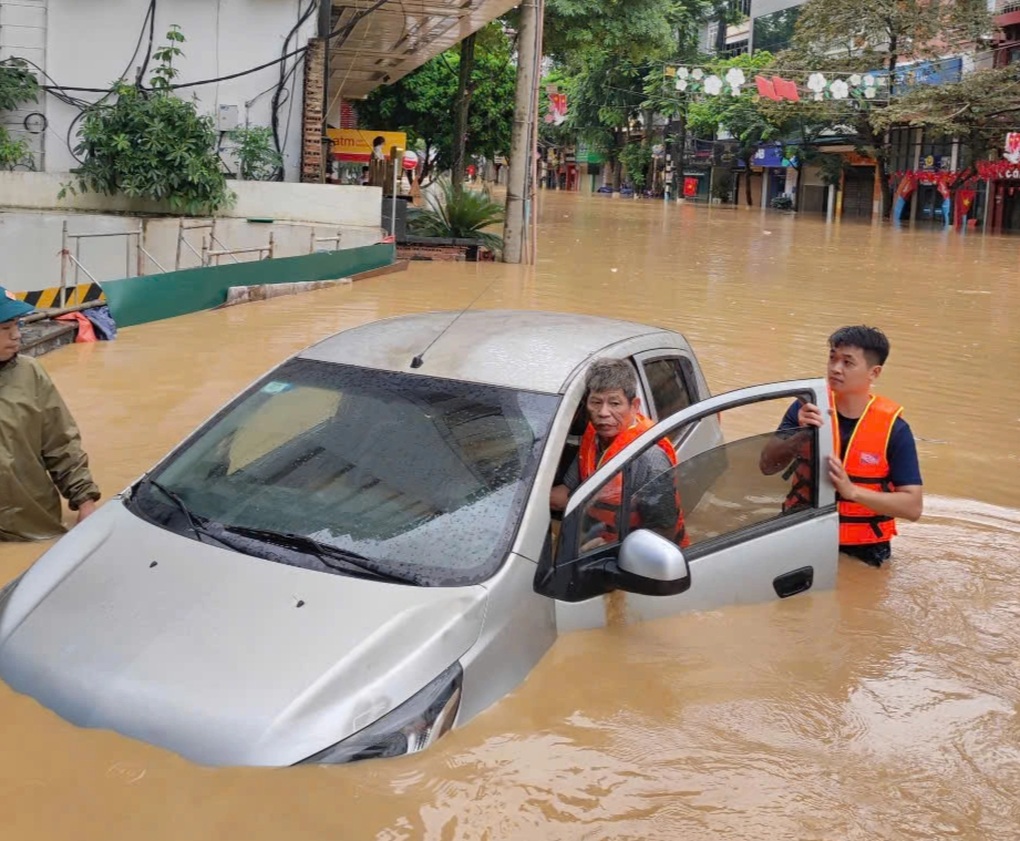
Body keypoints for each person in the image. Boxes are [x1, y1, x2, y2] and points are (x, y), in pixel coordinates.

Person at [759, 326, 922, 567]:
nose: (835, 368)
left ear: (873, 373)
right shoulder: (806, 408)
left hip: (865, 551)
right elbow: (766, 466)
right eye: (832, 358)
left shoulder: (895, 430)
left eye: (848, 362)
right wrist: (801, 435)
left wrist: (852, 492)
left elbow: (913, 507)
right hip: (803, 532)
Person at [551, 358, 686, 549]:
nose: (603, 412)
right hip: (594, 533)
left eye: (614, 403)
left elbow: (661, 534)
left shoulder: (650, 460)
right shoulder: (593, 437)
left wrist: (610, 550)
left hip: (633, 552)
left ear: (634, 406)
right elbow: (564, 493)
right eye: (595, 402)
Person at [0, 288, 101, 541]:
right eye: (5, 328)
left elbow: (60, 442)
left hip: (32, 526)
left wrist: (85, 502)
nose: (16, 335)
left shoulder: (29, 373)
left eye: (17, 325)